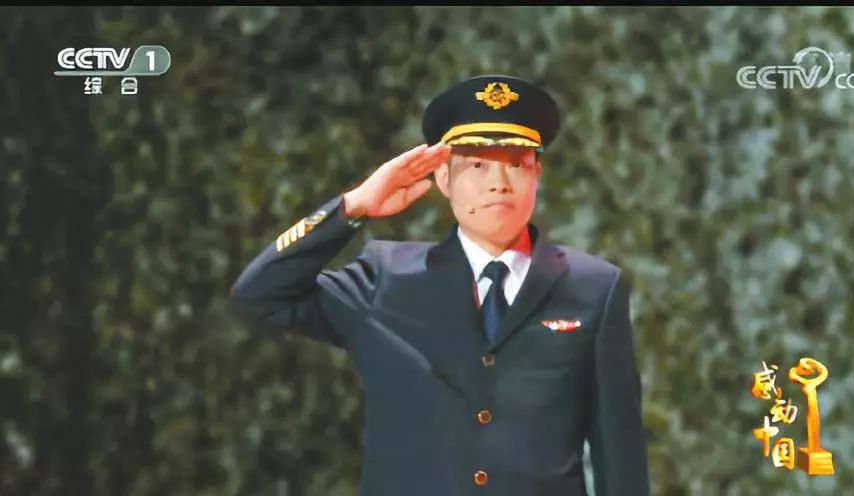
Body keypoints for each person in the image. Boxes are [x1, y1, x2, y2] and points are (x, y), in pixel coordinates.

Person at [229, 75, 650, 495]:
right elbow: (260, 296)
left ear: (536, 174)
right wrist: (352, 207)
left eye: (517, 164)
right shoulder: (386, 277)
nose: (499, 183)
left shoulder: (593, 287)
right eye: (478, 165)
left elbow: (619, 447)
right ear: (444, 179)